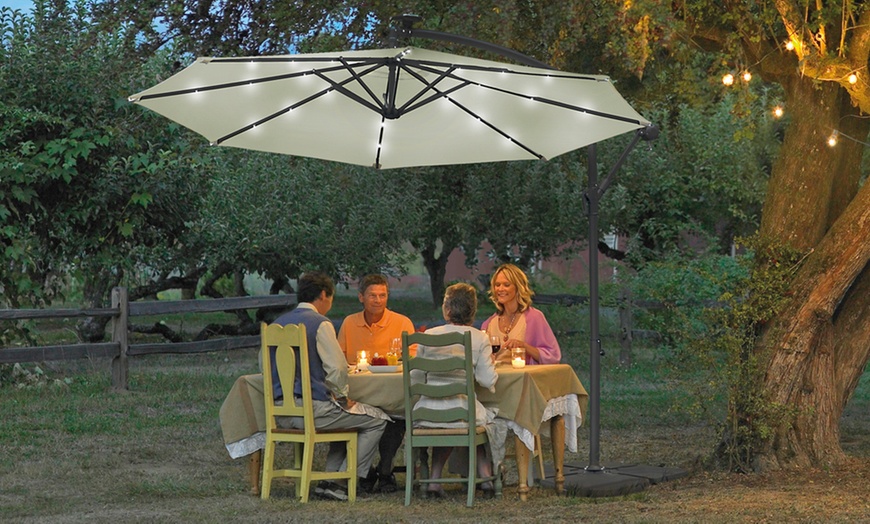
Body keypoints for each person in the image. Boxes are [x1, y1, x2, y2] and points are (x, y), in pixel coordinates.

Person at [271, 271, 387, 501]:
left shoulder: (277, 325)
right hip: (312, 409)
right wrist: (343, 397)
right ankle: (342, 481)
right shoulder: (320, 324)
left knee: (344, 420)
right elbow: (337, 369)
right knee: (377, 420)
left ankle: (328, 480)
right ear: (324, 295)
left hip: (280, 411)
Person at [411, 282, 498, 498]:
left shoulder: (428, 335)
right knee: (486, 420)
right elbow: (487, 381)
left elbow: (415, 378)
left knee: (450, 420)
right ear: (473, 310)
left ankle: (435, 480)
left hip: (426, 413)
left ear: (447, 309)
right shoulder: (479, 337)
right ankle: (486, 477)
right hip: (461, 412)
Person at [336, 274, 416, 493]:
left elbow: (413, 360)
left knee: (395, 415)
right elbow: (340, 360)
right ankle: (368, 471)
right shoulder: (350, 323)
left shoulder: (402, 323)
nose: (378, 300)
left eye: (383, 295)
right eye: (372, 295)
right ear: (361, 297)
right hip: (360, 394)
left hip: (393, 393)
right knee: (362, 414)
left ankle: (385, 469)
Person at [481, 263, 561, 365]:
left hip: (522, 379)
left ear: (518, 287)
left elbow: (553, 356)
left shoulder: (535, 318)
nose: (500, 289)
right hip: (495, 379)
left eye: (506, 285)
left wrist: (524, 346)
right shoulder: (488, 324)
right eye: (497, 285)